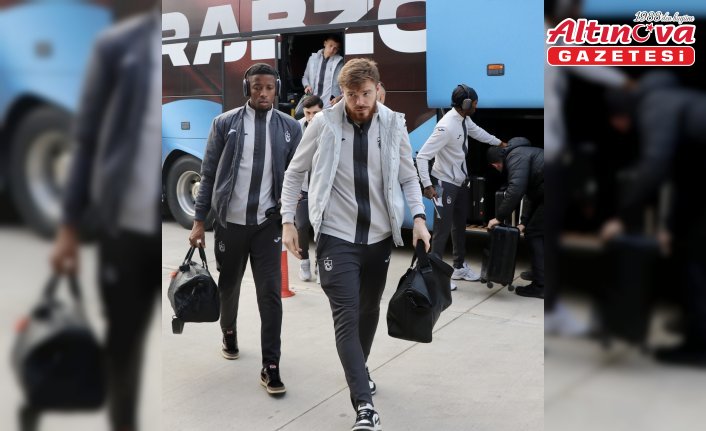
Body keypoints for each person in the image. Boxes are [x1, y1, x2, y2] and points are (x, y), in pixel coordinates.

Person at [281, 58, 430, 431]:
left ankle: (358, 370)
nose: (360, 102)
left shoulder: (393, 124)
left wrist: (419, 218)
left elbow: (408, 176)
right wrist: (288, 221)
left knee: (368, 310)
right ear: (341, 93)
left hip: (379, 238)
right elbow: (295, 172)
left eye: (365, 93)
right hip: (336, 237)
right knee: (346, 317)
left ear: (378, 89)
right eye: (352, 95)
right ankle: (364, 406)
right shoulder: (324, 124)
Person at [51, 7, 161, 431]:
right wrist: (68, 226)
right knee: (124, 343)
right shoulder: (117, 46)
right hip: (125, 228)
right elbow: (87, 136)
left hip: (168, 229)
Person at [189, 63, 302, 393]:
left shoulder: (290, 128)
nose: (263, 93)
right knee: (229, 288)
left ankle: (271, 365)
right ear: (246, 89)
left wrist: (291, 215)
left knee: (270, 294)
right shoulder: (225, 124)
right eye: (257, 87)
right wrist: (199, 222)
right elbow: (208, 174)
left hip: (267, 225)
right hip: (230, 224)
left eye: (269, 87)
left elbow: (297, 176)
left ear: (276, 89)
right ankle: (229, 332)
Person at [600, 71, 706, 367]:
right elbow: (688, 180)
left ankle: (699, 346)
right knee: (692, 251)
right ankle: (695, 323)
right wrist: (671, 227)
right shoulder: (677, 100)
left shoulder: (655, 104)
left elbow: (655, 165)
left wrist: (623, 217)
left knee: (697, 261)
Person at [416, 84, 506, 288]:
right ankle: (436, 276)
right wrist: (427, 185)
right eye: (474, 103)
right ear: (466, 104)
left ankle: (458, 267)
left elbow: (479, 133)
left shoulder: (464, 119)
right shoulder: (446, 127)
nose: (476, 106)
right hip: (443, 183)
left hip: (459, 182)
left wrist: (499, 143)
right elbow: (422, 156)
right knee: (441, 231)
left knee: (459, 226)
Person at [487, 137, 544, 299]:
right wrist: (524, 222)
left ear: (495, 164)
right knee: (540, 232)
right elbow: (531, 195)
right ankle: (540, 272)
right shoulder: (522, 153)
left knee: (535, 234)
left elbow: (516, 190)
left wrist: (498, 217)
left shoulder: (515, 158)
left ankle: (541, 285)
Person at [296, 95, 324, 281]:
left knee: (323, 229)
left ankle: (320, 265)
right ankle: (304, 262)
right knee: (301, 226)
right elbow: (288, 158)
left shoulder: (330, 126)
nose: (311, 117)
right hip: (303, 188)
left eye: (315, 113)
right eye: (308, 113)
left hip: (322, 189)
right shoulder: (296, 128)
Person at [302, 34, 343, 108]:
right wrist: (307, 86)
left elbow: (345, 84)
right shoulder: (312, 59)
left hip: (330, 104)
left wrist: (340, 97)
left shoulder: (340, 62)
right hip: (313, 103)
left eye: (335, 48)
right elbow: (305, 77)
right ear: (325, 43)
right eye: (330, 45)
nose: (332, 50)